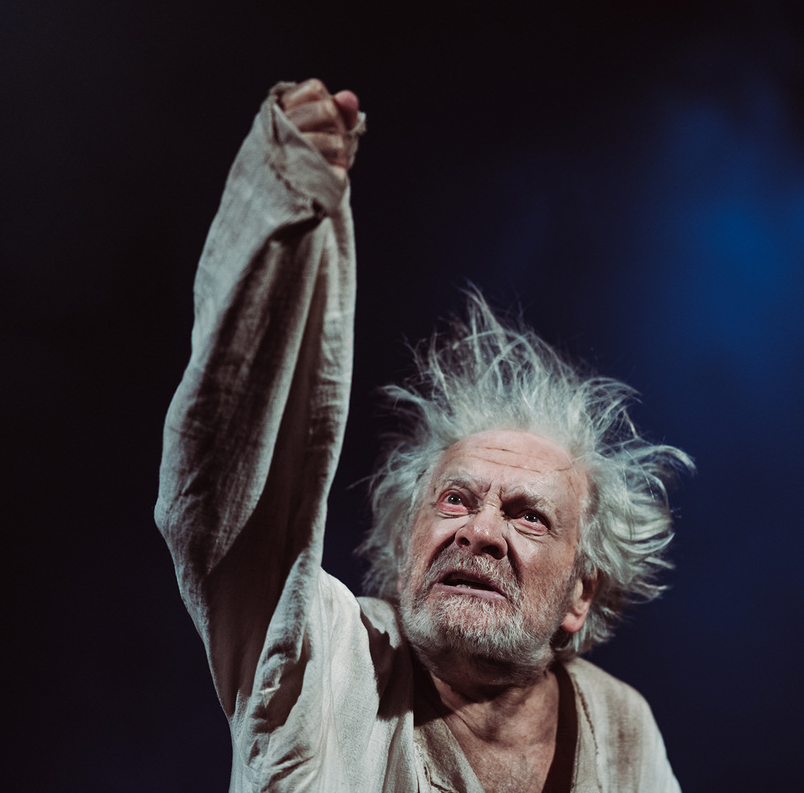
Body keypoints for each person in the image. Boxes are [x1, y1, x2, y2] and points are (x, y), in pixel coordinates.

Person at [156, 78, 693, 793]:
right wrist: (284, 201)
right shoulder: (327, 658)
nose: (480, 532)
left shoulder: (622, 728)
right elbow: (226, 500)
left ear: (580, 595)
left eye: (528, 516)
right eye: (455, 500)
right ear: (405, 542)